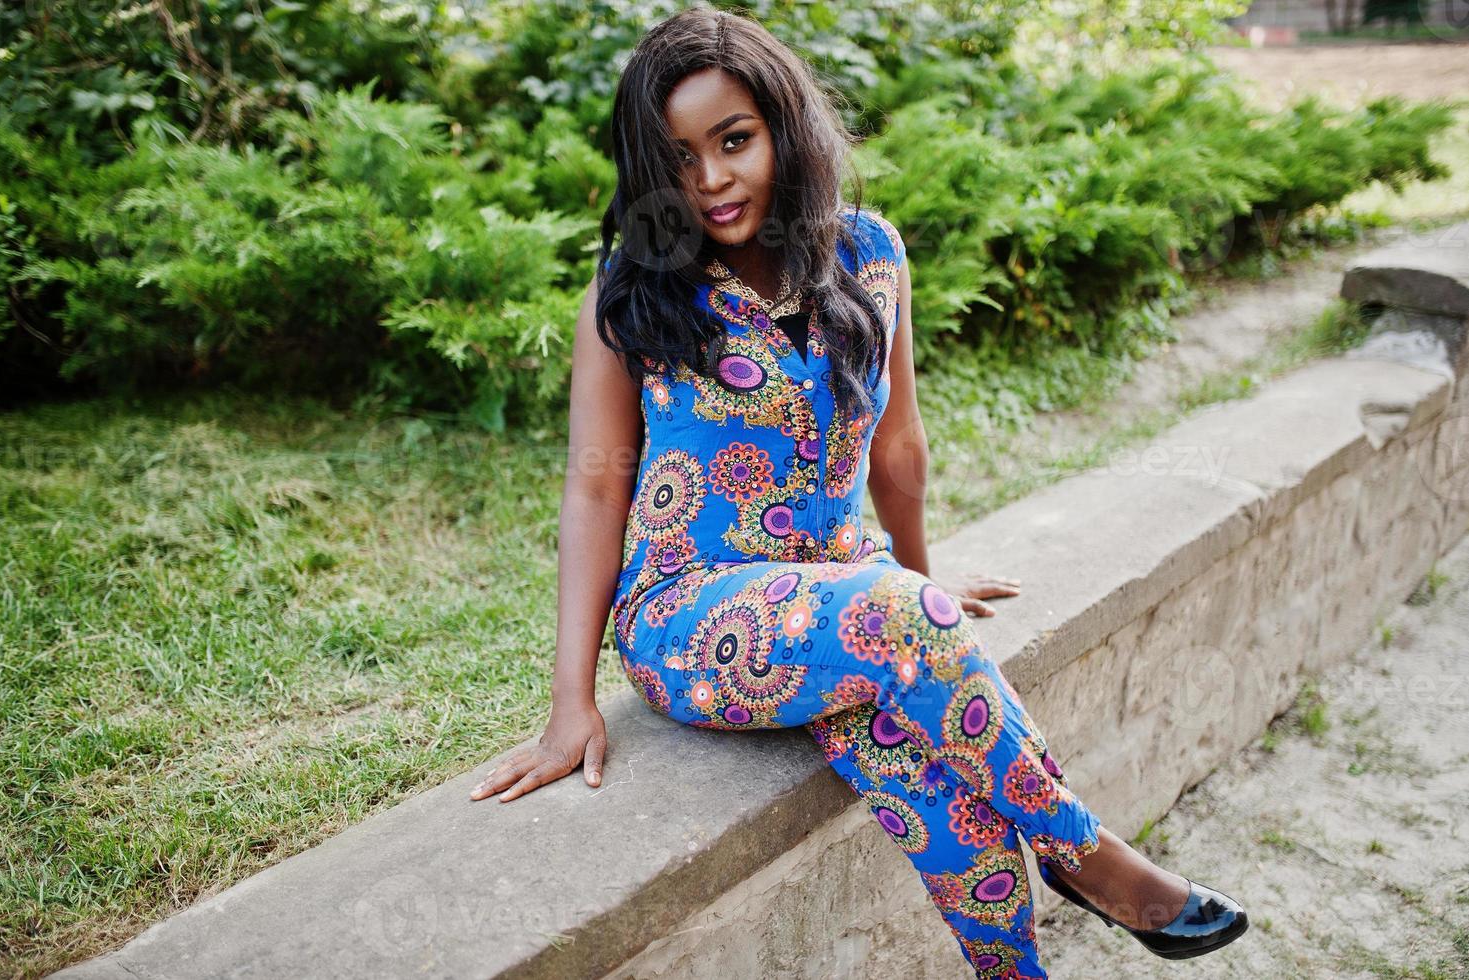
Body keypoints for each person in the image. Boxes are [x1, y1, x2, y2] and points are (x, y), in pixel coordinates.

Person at [468, 7, 1247, 977]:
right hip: (687, 610)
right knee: (901, 642)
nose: (709, 180)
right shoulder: (631, 292)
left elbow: (899, 444)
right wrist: (568, 701)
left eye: (734, 140)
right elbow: (592, 493)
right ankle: (1087, 855)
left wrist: (922, 593)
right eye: (677, 158)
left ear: (784, 128)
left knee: (938, 784)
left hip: (842, 587)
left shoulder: (871, 254)